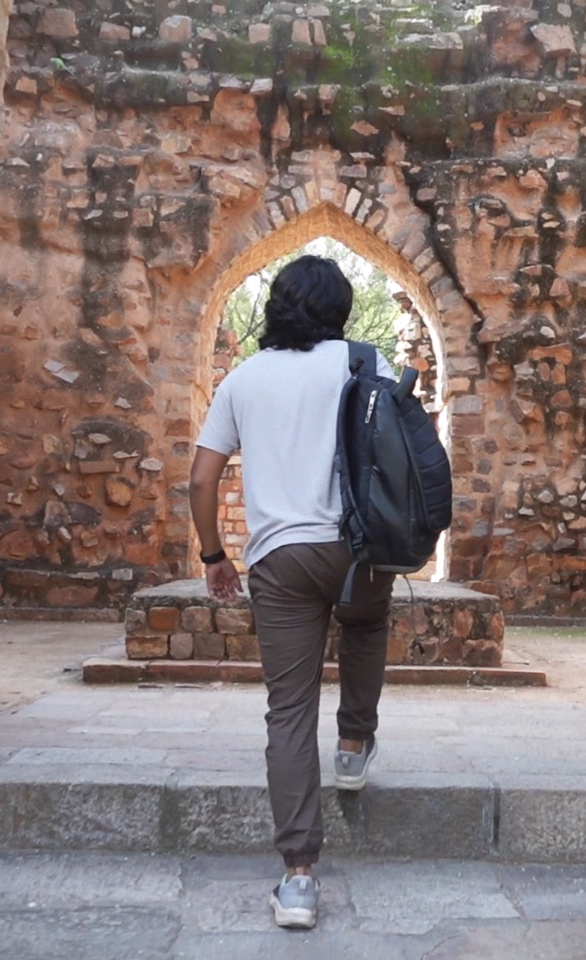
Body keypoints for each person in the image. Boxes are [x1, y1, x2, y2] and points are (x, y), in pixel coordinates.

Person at [189, 255, 396, 930]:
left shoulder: (243, 379)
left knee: (287, 710)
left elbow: (201, 480)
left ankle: (299, 877)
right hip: (359, 546)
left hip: (279, 557)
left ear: (277, 307)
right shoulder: (368, 365)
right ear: (340, 308)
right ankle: (354, 746)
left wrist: (216, 556)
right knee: (365, 626)